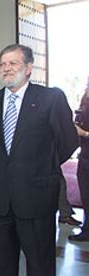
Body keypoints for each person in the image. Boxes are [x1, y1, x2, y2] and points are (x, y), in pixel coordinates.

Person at [0, 44, 78, 276]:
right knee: (2, 266)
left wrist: (41, 167)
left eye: (13, 63)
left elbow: (68, 141)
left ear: (28, 68)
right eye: (2, 64)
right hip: (1, 202)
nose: (6, 68)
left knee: (40, 265)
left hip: (38, 200)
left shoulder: (51, 98)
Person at [69, 79, 89, 241]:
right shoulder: (85, 97)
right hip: (85, 155)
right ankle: (87, 228)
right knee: (86, 194)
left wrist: (85, 134)